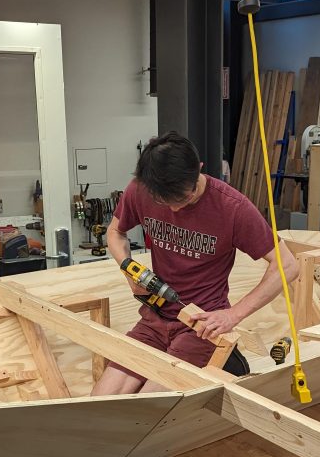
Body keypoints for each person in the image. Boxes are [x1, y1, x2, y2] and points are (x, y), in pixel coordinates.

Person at [92, 131, 298, 396]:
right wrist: (128, 269)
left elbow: (287, 265)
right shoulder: (141, 189)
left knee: (150, 405)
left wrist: (233, 315)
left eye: (184, 200)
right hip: (154, 319)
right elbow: (115, 232)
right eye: (165, 203)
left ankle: (228, 361)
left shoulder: (232, 207)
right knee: (102, 399)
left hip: (201, 327)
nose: (176, 210)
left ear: (198, 170)